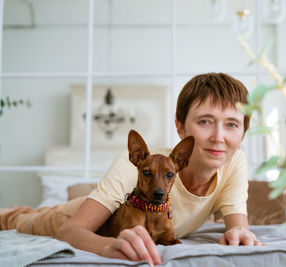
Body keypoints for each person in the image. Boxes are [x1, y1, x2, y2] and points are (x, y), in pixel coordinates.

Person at [1, 72, 263, 266]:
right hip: (71, 217)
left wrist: (239, 233)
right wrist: (108, 246)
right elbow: (69, 231)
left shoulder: (233, 161)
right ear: (180, 127)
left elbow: (237, 227)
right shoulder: (137, 165)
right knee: (19, 220)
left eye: (232, 124)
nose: (219, 137)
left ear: (242, 133)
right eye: (206, 121)